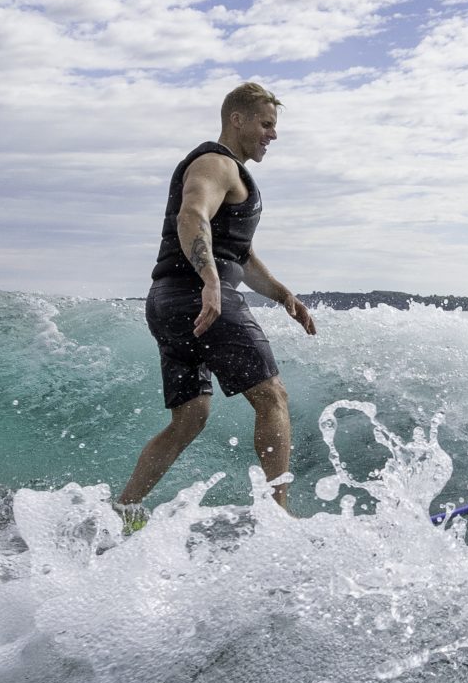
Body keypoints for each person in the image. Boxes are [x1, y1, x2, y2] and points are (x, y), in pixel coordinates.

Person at [116, 82, 317, 523]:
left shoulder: (230, 174)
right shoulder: (215, 164)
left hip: (166, 302)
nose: (273, 135)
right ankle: (278, 522)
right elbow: (192, 214)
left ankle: (124, 508)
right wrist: (208, 279)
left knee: (189, 419)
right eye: (266, 124)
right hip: (199, 297)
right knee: (273, 398)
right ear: (237, 119)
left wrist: (283, 294)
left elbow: (239, 256)